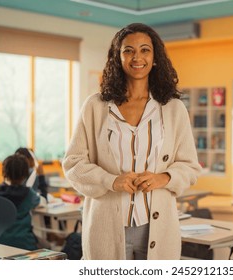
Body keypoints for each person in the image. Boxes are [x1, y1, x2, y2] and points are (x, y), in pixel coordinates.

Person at [62, 23, 201, 260]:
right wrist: (111, 181)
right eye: (128, 50)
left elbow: (190, 166)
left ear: (155, 57)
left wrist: (163, 178)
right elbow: (73, 163)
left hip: (157, 227)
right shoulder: (95, 106)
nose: (137, 57)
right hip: (105, 227)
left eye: (145, 50)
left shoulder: (174, 109)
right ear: (118, 57)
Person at [0, 154, 44, 250]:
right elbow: (43, 201)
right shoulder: (29, 194)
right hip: (24, 244)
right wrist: (41, 176)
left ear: (4, 173)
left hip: (0, 244)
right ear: (26, 173)